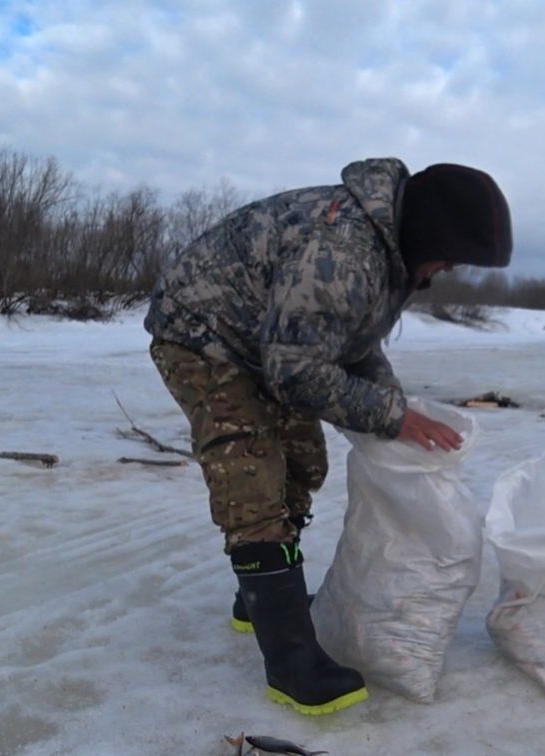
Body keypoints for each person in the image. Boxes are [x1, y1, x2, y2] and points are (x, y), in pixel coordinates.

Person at [145, 158, 512, 716]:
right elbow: (295, 370)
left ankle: (261, 600)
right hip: (204, 334)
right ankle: (291, 660)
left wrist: (395, 409)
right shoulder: (343, 252)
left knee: (302, 462)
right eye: (451, 254)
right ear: (428, 232)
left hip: (267, 343)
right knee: (252, 474)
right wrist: (393, 417)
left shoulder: (391, 257)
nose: (449, 267)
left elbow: (353, 343)